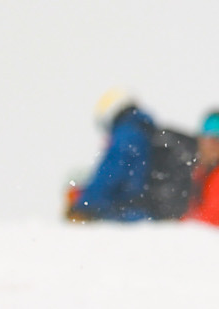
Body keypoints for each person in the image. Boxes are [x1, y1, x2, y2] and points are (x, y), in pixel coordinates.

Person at [67, 90, 158, 222]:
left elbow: (110, 172)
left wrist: (84, 204)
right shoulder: (144, 130)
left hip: (130, 212)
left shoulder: (126, 133)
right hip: (146, 208)